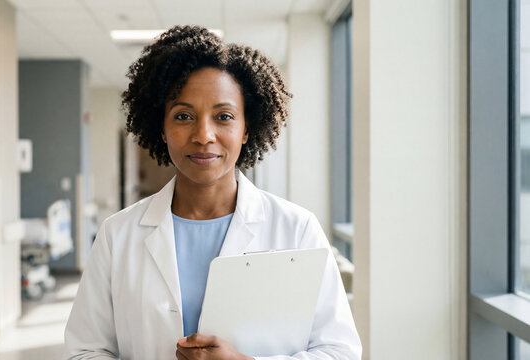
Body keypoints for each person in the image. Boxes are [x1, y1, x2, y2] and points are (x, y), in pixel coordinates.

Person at [64, 25, 362, 360]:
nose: (204, 135)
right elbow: (85, 351)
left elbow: (339, 351)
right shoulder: (117, 235)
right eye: (183, 116)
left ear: (246, 128)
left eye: (223, 116)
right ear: (161, 128)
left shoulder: (297, 228)